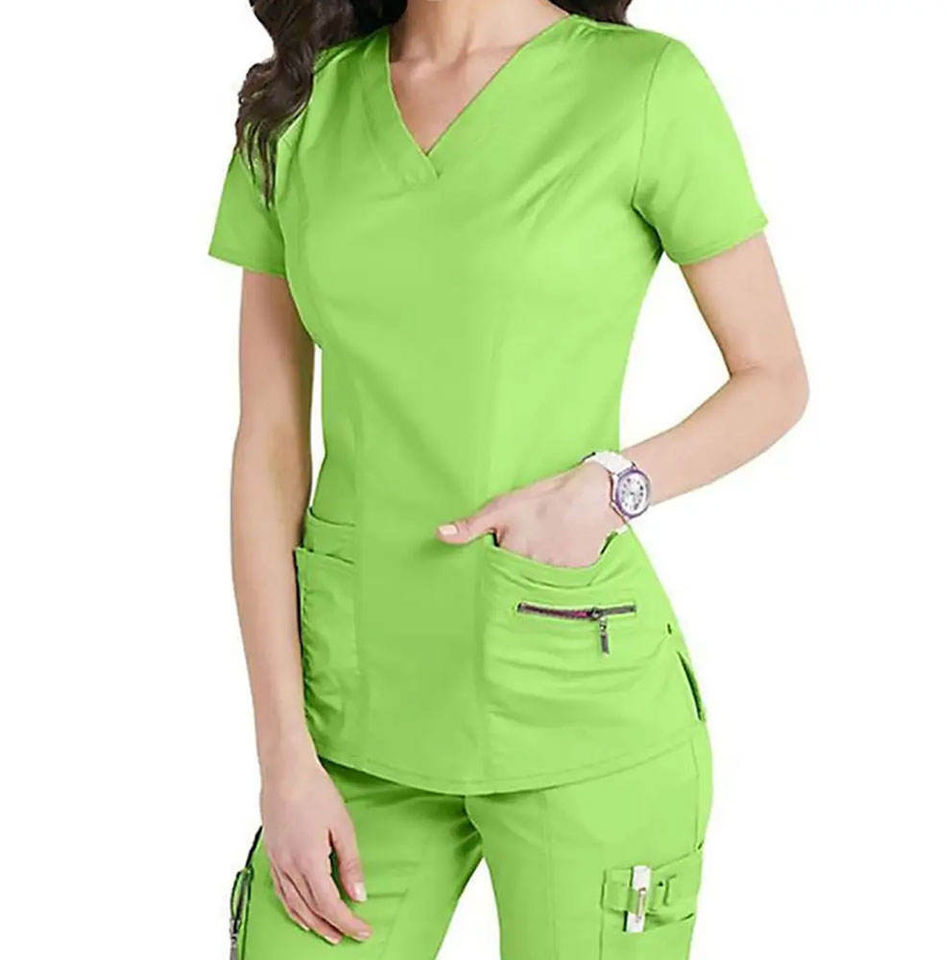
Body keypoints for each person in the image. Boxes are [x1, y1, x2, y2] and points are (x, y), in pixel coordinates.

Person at [210, 1, 808, 957]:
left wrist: (611, 489)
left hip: (578, 709)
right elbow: (269, 443)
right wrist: (282, 755)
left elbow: (773, 377)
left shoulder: (643, 86)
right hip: (354, 721)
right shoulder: (301, 108)